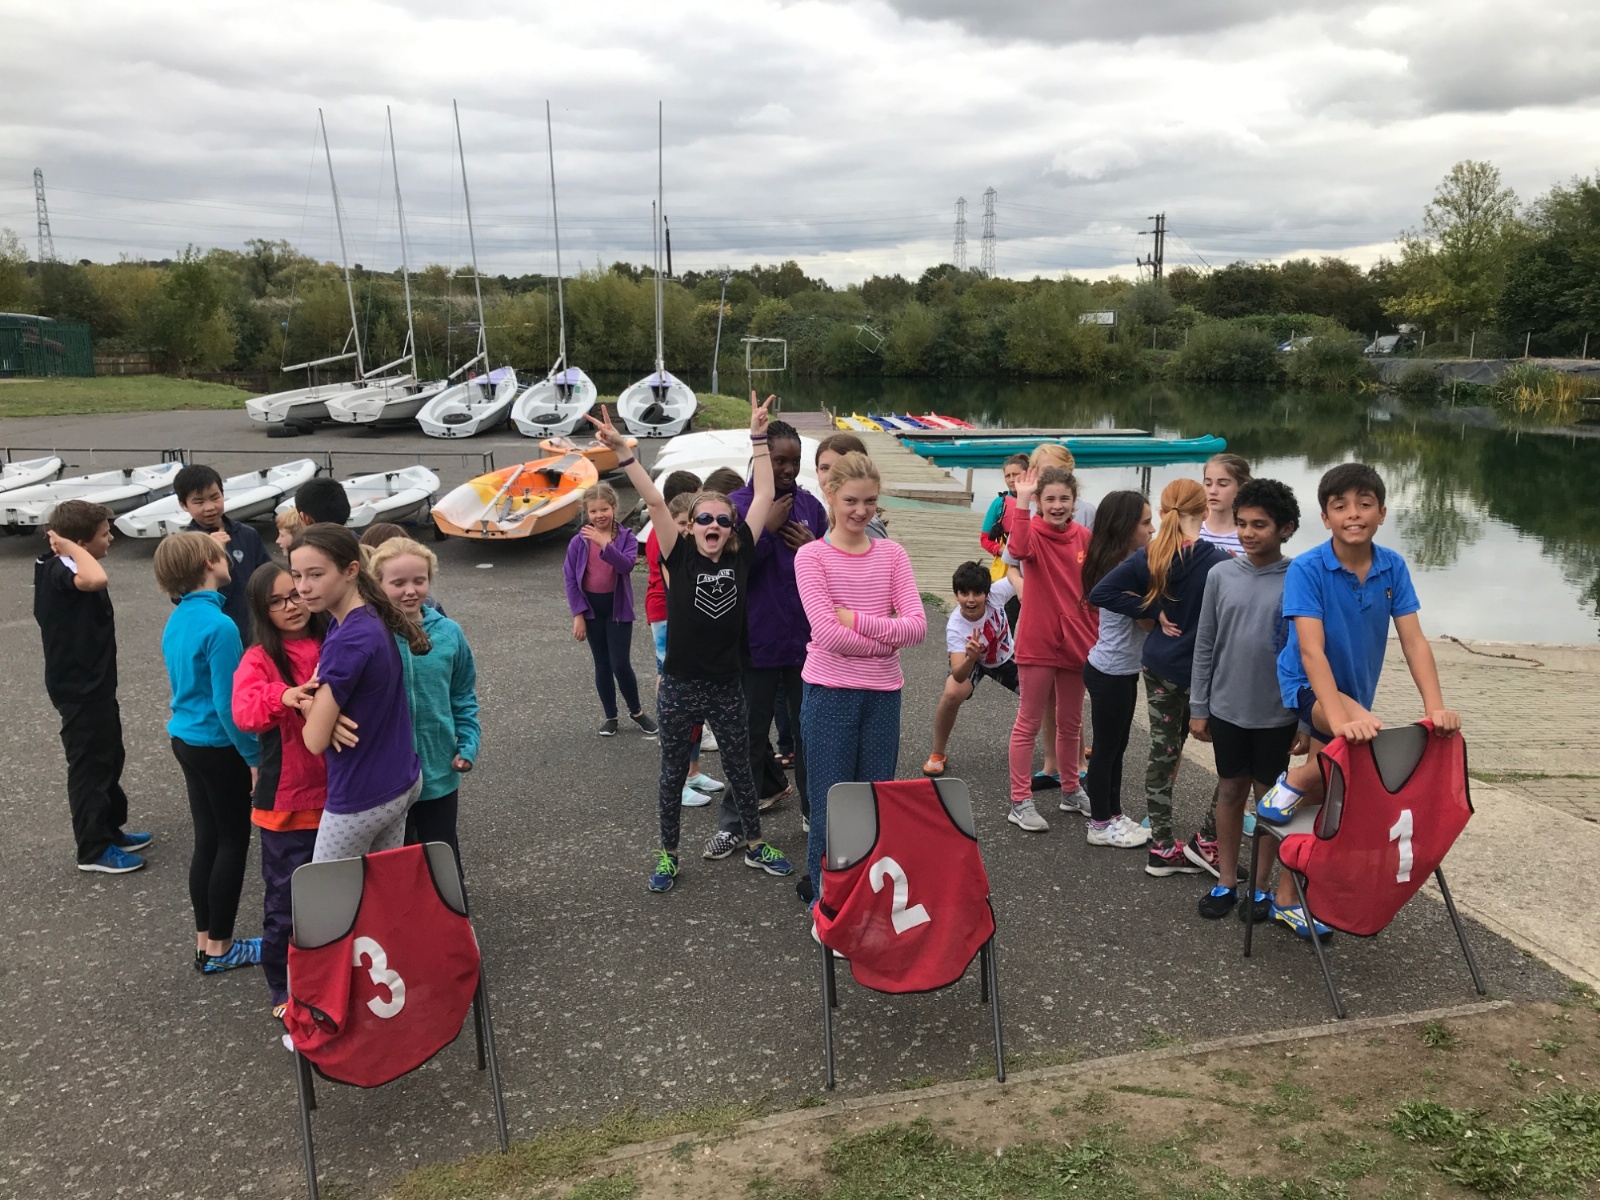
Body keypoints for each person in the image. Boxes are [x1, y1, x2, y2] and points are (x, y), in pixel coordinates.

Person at [589, 396, 794, 892]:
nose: (714, 527)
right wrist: (623, 452)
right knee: (671, 773)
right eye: (704, 520)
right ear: (692, 527)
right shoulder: (678, 556)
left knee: (741, 769)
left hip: (726, 685)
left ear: (732, 529)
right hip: (680, 686)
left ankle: (753, 844)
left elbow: (765, 493)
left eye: (723, 521)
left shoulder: (740, 556)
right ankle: (669, 854)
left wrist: (758, 437)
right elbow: (657, 502)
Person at [1257, 463, 1461, 938]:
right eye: (1341, 506)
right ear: (1325, 517)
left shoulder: (1392, 566)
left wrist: (1435, 707)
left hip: (1354, 690)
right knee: (1362, 743)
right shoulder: (1308, 568)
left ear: (1382, 513)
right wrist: (1340, 719)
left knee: (1329, 794)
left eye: (1365, 504)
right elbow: (1311, 651)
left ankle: (1287, 898)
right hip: (1306, 684)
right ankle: (1294, 781)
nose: (1354, 514)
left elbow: (1413, 640)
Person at [796, 450, 926, 901]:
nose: (861, 511)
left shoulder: (892, 554)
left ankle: (865, 900)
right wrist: (887, 639)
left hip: (883, 695)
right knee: (831, 806)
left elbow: (918, 627)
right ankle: (826, 903)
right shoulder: (811, 557)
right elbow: (826, 635)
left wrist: (855, 619)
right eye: (851, 500)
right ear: (830, 494)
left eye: (870, 501)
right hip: (829, 693)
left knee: (874, 805)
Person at [1089, 479, 1230, 877]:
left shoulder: (1152, 555)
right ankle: (1208, 839)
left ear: (1165, 513)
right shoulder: (1220, 563)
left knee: (1162, 752)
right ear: (1205, 512)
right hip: (1204, 674)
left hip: (1160, 668)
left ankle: (1163, 846)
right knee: (1232, 757)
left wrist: (1151, 608)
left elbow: (1101, 593)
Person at [1188, 479, 1302, 922]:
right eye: (1242, 523)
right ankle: (1225, 880)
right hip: (1227, 707)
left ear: (1286, 528)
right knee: (1230, 790)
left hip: (1277, 712)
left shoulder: (1299, 577)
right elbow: (1205, 643)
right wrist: (1199, 706)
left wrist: (1305, 720)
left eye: (1260, 525)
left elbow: (1310, 652)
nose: (1248, 533)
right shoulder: (1221, 575)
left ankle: (1260, 886)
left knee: (1269, 799)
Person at [714, 418, 828, 855]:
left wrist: (814, 546)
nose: (787, 469)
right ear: (761, 458)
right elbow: (728, 570)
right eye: (779, 460)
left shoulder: (811, 506)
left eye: (794, 461)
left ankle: (815, 813)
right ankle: (735, 821)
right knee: (748, 735)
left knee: (808, 734)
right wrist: (765, 530)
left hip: (804, 643)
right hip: (755, 642)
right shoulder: (737, 506)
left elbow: (832, 569)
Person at [155, 532, 263, 974]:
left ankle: (206, 941)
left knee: (208, 841)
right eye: (220, 554)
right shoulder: (221, 626)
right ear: (207, 564)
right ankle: (221, 948)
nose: (227, 559)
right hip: (218, 746)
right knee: (232, 842)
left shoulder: (179, 617)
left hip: (185, 739)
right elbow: (229, 703)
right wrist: (253, 757)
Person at [289, 524, 427, 861]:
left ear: (351, 570)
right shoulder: (364, 616)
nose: (303, 587)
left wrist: (312, 710)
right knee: (380, 887)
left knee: (328, 892)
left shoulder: (347, 639)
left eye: (316, 574)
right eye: (297, 575)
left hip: (361, 795)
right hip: (400, 779)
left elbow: (314, 740)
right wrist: (322, 711)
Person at [232, 563, 332, 1014]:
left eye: (296, 594)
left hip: (342, 798)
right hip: (288, 804)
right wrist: (283, 695)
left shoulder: (334, 638)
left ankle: (335, 979)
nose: (292, 605)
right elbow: (244, 712)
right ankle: (284, 988)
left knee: (342, 897)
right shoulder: (259, 658)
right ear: (261, 609)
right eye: (277, 601)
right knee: (286, 904)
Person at [34, 500, 150, 874]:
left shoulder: (71, 563)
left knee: (110, 756)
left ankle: (110, 829)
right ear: (80, 543)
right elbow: (96, 579)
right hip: (78, 689)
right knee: (90, 766)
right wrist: (69, 545)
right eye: (103, 534)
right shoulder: (58, 568)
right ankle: (93, 848)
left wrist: (73, 546)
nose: (111, 538)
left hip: (97, 685)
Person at [370, 537, 481, 871]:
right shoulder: (367, 634)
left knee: (441, 860)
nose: (410, 591)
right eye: (398, 583)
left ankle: (450, 907)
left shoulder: (449, 633)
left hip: (439, 771)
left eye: (419, 581)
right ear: (377, 584)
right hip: (385, 777)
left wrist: (468, 742)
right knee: (394, 865)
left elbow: (462, 694)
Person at [1003, 467, 1096, 832]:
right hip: (1038, 640)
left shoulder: (1084, 537)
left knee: (1071, 723)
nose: (1058, 506)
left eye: (1064, 499)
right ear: (1040, 502)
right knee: (1028, 722)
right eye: (1050, 499)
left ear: (1075, 501)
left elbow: (1095, 587)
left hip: (1077, 642)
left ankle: (1071, 790)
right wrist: (1023, 501)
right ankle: (1020, 800)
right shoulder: (1032, 532)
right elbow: (1016, 550)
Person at [1080, 490, 1156, 849]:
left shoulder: (1125, 563)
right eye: (1146, 523)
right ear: (1126, 527)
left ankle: (1114, 814)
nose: (1153, 530)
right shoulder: (1122, 572)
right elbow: (1146, 623)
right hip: (1109, 671)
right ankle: (1099, 824)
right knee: (1106, 749)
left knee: (1117, 747)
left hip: (1121, 670)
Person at [645, 473, 721, 806]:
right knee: (677, 697)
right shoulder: (663, 540)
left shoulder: (689, 542)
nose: (688, 529)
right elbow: (679, 585)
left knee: (695, 700)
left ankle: (692, 772)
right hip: (667, 616)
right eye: (681, 523)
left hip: (687, 620)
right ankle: (677, 780)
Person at [564, 482, 657, 738]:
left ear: (614, 508)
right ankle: (610, 716)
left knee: (620, 664)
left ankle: (636, 711)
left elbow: (626, 566)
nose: (599, 515)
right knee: (602, 664)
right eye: (593, 511)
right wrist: (578, 615)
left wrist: (605, 544)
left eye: (604, 509)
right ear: (586, 513)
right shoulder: (578, 542)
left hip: (618, 609)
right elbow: (570, 579)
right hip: (592, 610)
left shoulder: (626, 538)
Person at [922, 561, 1018, 779]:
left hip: (1005, 658)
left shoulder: (996, 594)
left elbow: (1018, 575)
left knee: (1048, 692)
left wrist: (1022, 586)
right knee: (951, 694)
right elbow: (958, 675)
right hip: (972, 661)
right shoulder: (956, 626)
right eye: (964, 593)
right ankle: (937, 753)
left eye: (977, 593)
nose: (971, 600)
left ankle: (1072, 747)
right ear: (956, 595)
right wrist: (971, 658)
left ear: (987, 593)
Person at [173, 464, 273, 639]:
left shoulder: (247, 535)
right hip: (214, 633)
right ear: (184, 505)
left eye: (215, 497)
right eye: (199, 502)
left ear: (223, 494)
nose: (209, 507)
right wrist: (209, 552)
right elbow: (178, 596)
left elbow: (268, 577)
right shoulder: (184, 546)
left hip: (256, 630)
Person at [815, 433, 889, 539]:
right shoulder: (838, 519)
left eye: (840, 467)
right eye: (825, 468)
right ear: (817, 471)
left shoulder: (862, 525)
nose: (831, 475)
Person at [1199, 453, 1252, 556]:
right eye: (1208, 484)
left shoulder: (1250, 537)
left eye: (1222, 484)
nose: (1213, 491)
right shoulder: (1192, 531)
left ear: (1242, 488)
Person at [979, 453, 1030, 558]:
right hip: (1006, 560)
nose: (1011, 480)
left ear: (1027, 474)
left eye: (1015, 474)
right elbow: (985, 539)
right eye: (1007, 476)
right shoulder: (999, 503)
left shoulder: (1039, 502)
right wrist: (1002, 551)